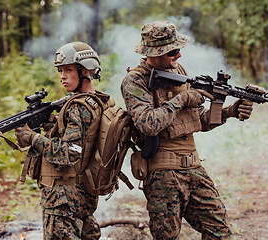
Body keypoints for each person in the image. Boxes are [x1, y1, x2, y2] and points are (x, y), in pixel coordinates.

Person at [121, 21, 253, 239]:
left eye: (179, 49)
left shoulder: (178, 71)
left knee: (220, 231)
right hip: (163, 173)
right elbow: (147, 123)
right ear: (155, 52)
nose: (179, 55)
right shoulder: (135, 80)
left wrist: (230, 111)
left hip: (193, 166)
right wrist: (181, 99)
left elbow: (198, 120)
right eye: (173, 51)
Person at [14, 42, 113, 239]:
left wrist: (32, 137)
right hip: (82, 193)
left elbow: (68, 154)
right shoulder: (99, 100)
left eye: (68, 69)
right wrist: (53, 125)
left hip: (62, 199)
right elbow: (83, 141)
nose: (62, 76)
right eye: (60, 70)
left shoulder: (78, 107)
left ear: (86, 70)